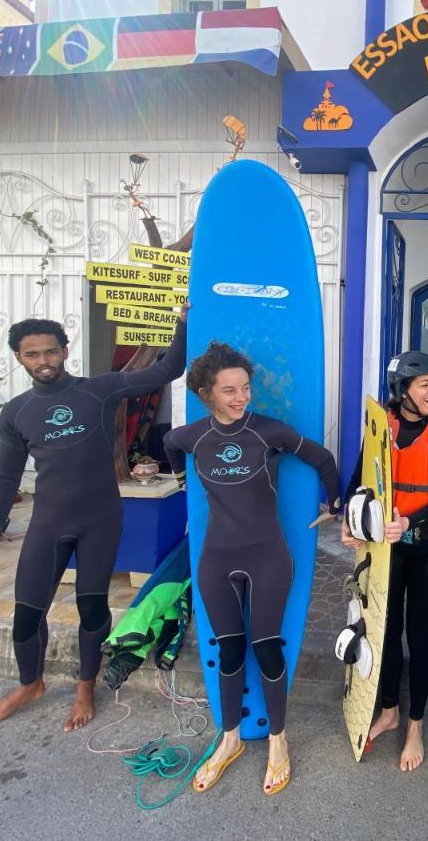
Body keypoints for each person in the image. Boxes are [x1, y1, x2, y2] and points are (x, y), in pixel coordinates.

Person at [0, 305, 188, 732]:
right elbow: (4, 478)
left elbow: (169, 369)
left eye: (50, 352)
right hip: (49, 523)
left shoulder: (100, 389)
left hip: (100, 520)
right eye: (32, 355)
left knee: (92, 608)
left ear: (65, 351)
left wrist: (182, 323)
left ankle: (85, 686)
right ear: (19, 357)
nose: (43, 361)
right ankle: (31, 683)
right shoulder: (15, 413)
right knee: (27, 612)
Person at [164, 341, 340, 796]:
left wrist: (336, 503)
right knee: (227, 651)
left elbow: (322, 458)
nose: (241, 397)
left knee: (266, 649)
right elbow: (167, 444)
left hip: (267, 556)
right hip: (217, 558)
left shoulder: (269, 432)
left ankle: (279, 741)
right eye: (229, 390)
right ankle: (229, 740)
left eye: (245, 388)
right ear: (207, 393)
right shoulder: (192, 437)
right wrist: (183, 483)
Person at [340, 351, 428, 771]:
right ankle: (389, 709)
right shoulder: (380, 427)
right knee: (384, 632)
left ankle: (415, 725)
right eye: (425, 383)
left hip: (427, 550)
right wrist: (349, 521)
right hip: (383, 550)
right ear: (402, 389)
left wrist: (409, 519)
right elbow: (359, 481)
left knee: (419, 636)